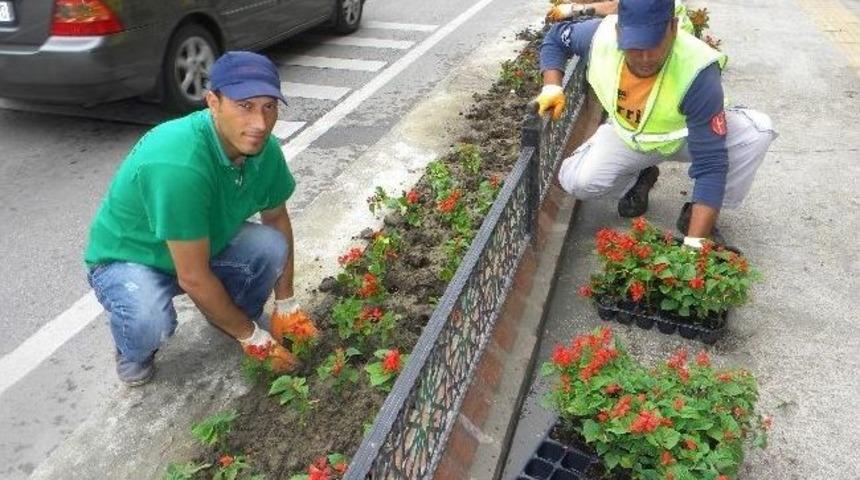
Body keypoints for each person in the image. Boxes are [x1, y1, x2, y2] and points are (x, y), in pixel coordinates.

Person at [84, 51, 311, 386]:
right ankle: (132, 349)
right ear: (212, 102)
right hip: (131, 258)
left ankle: (231, 316)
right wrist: (255, 340)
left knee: (270, 246)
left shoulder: (264, 150)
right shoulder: (179, 164)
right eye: (245, 106)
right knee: (150, 320)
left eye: (269, 107)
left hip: (202, 245)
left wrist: (287, 303)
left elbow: (276, 218)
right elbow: (191, 276)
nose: (260, 123)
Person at [537, 0, 776, 245]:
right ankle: (638, 179)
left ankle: (699, 214)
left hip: (686, 137)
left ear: (673, 29)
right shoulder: (600, 38)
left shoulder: (697, 70)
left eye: (655, 43)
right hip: (631, 137)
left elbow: (711, 163)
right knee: (577, 180)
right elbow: (556, 38)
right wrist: (552, 86)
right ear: (619, 32)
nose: (646, 58)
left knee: (756, 133)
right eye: (635, 46)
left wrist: (693, 245)